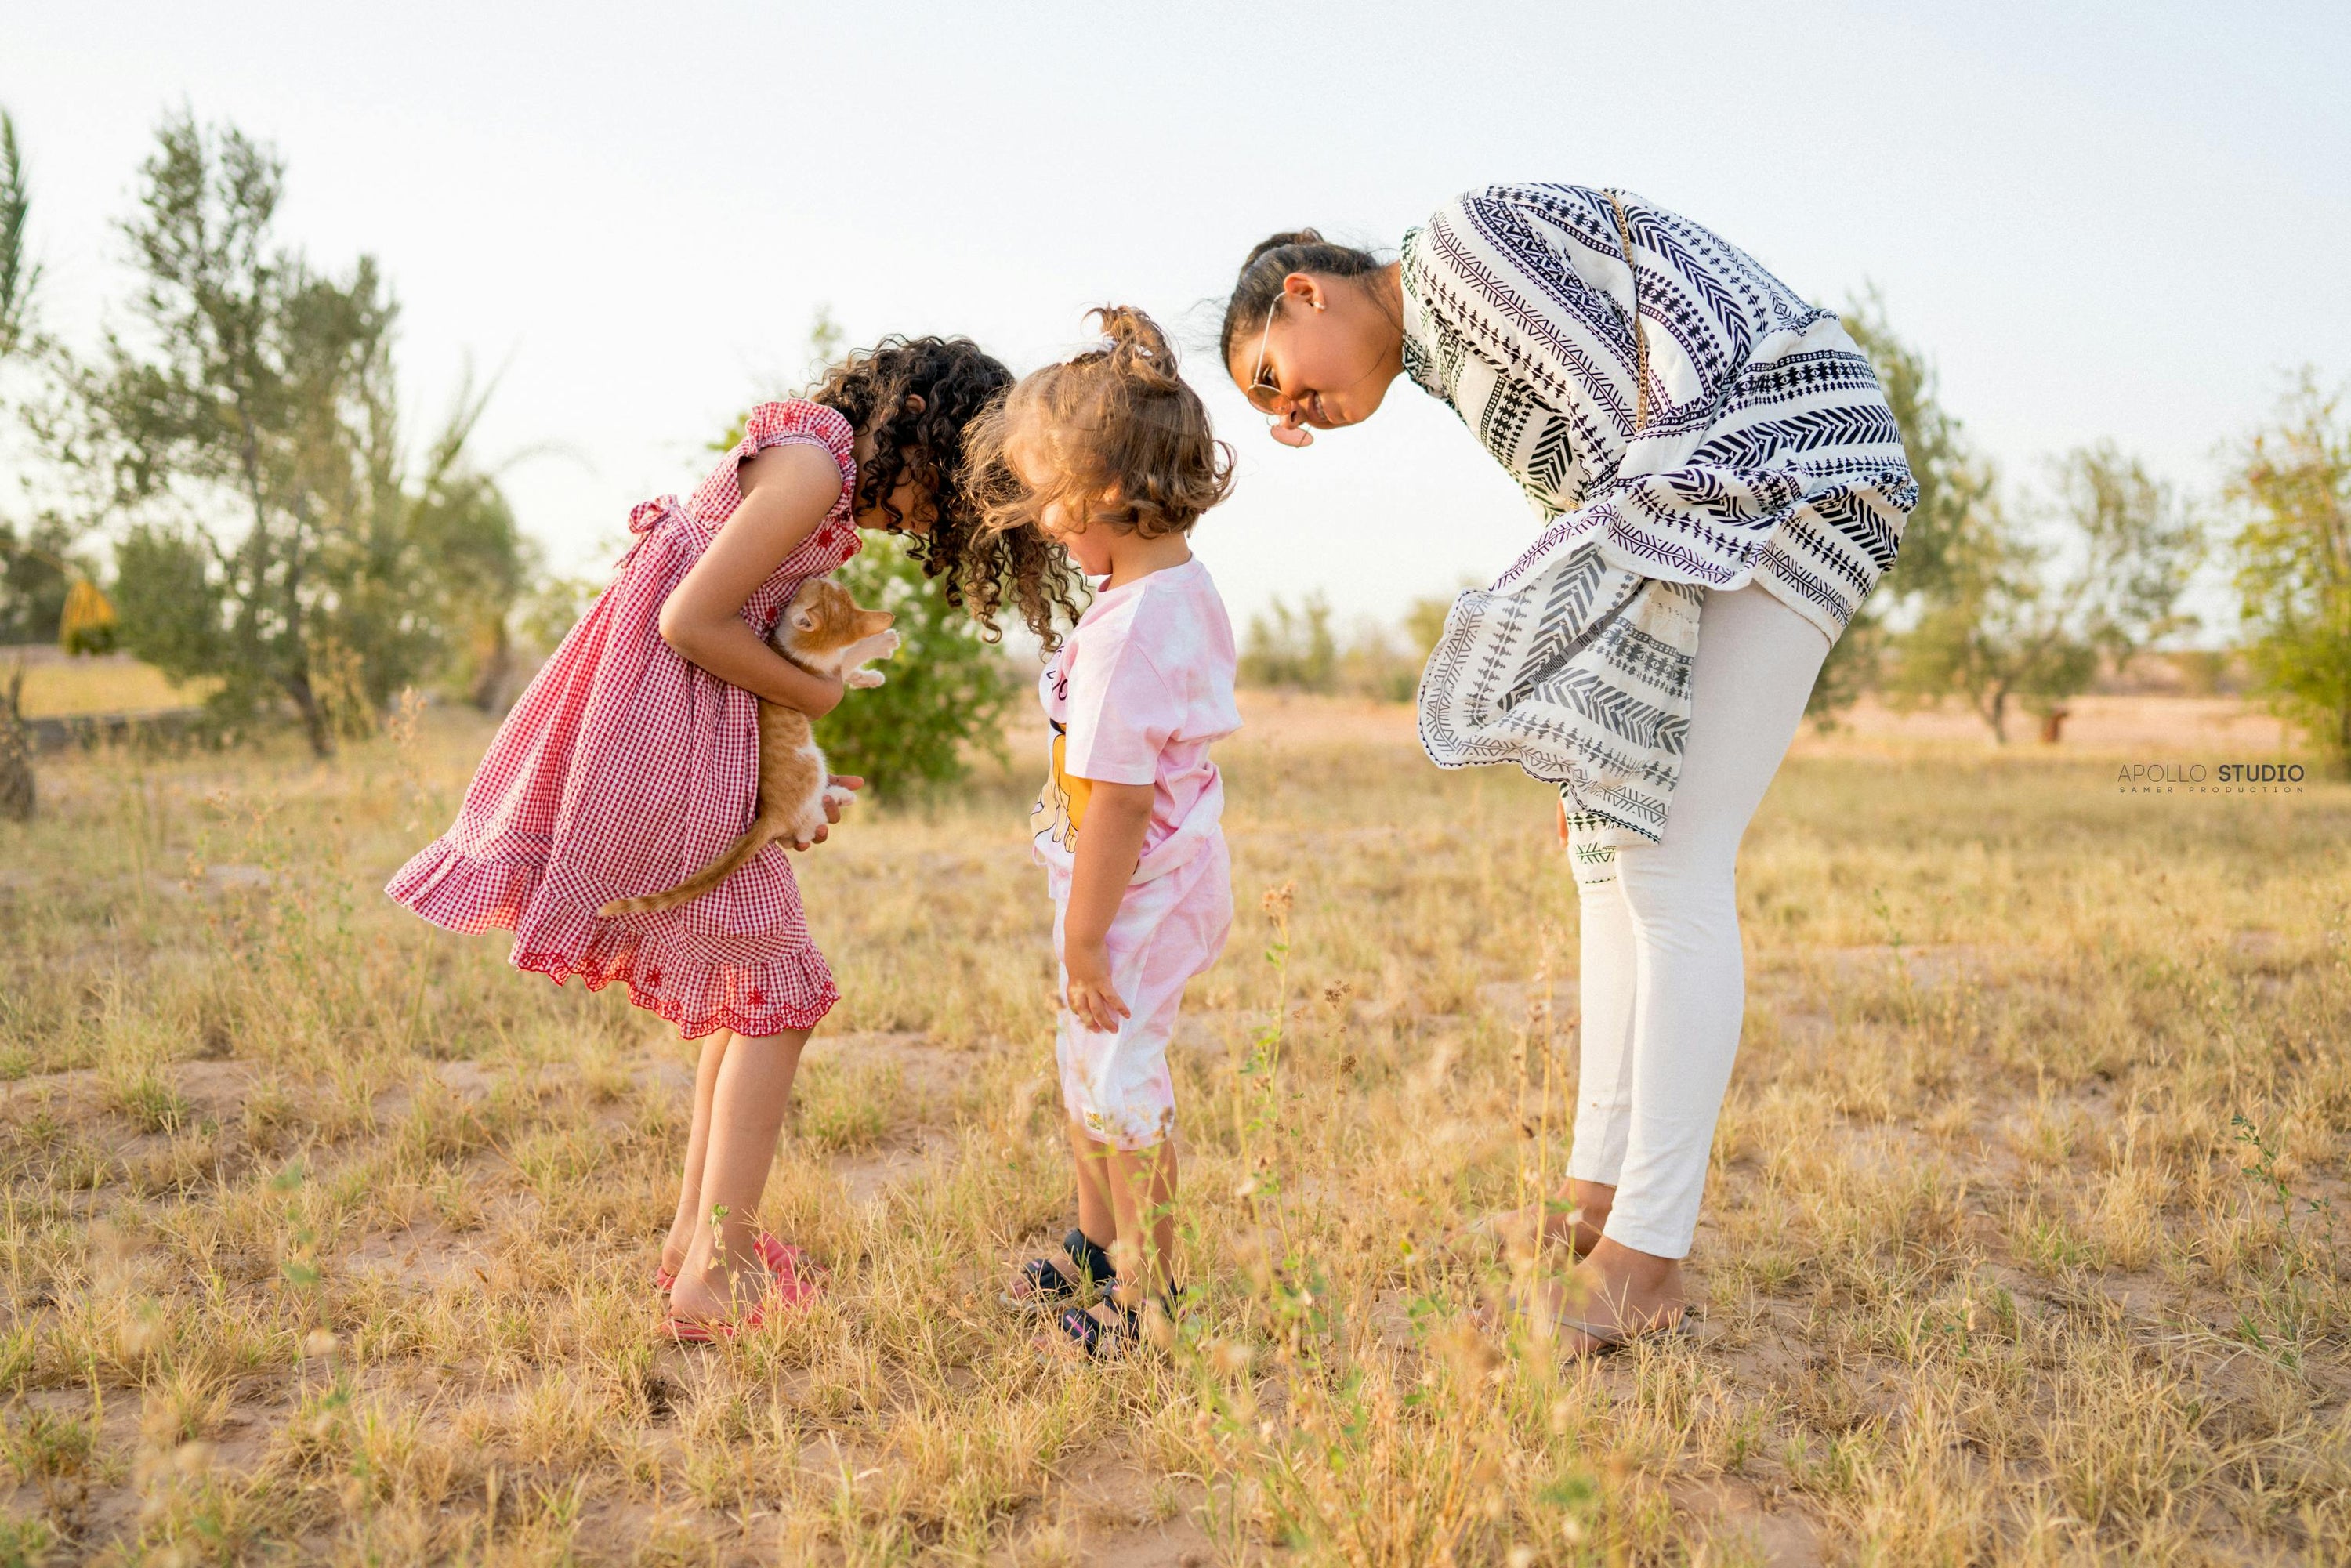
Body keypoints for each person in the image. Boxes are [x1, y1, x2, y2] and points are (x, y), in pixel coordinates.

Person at [1218, 184, 1916, 1354]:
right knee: (1610, 854)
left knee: (1672, 867)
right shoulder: (1445, 353)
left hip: (1787, 469)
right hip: (1732, 484)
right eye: (1275, 415)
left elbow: (1631, 444)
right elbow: (1592, 489)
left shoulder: (1452, 259)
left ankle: (1645, 1259)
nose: (1292, 418)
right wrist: (1594, 751)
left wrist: (1591, 710)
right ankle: (1594, 1201)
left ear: (1306, 291)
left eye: (1275, 379)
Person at [387, 337, 1081, 1340]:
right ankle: (719, 1274)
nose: (937, 518)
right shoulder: (814, 464)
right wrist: (820, 694)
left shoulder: (819, 470)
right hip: (660, 732)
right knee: (776, 993)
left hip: (691, 731)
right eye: (954, 488)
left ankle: (693, 1248)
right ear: (924, 424)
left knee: (749, 991)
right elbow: (690, 621)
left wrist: (780, 775)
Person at [967, 306, 1241, 1359]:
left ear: (1104, 494)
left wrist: (1084, 937)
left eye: (1048, 500)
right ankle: (1096, 1245)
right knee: (1089, 1064)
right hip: (1133, 882)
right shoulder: (1165, 590)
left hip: (1133, 889)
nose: (1041, 523)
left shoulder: (1133, 630)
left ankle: (1152, 1297)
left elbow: (1121, 797)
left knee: (1122, 1082)